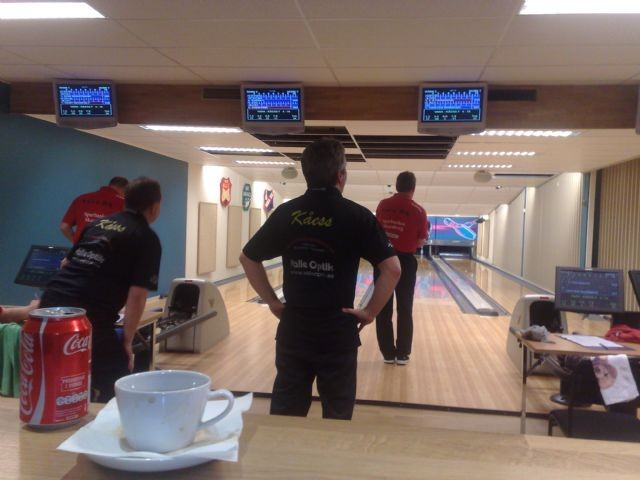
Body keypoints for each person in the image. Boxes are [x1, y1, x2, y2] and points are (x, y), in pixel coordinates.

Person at [240, 138, 401, 420]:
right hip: (338, 332)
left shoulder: (286, 213)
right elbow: (393, 269)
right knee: (337, 417)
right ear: (341, 175)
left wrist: (273, 302)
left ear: (306, 173)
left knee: (286, 417)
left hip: (294, 328)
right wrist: (369, 312)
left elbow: (248, 258)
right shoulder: (358, 216)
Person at [40, 177, 162, 402]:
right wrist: (127, 341)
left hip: (50, 302)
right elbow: (137, 295)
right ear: (154, 207)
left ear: (125, 200)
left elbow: (66, 264)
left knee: (60, 376)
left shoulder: (97, 225)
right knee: (118, 383)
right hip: (87, 315)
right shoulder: (146, 237)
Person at [375, 171, 428, 365]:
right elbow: (421, 241)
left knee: (383, 308)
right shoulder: (419, 211)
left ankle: (388, 354)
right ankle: (403, 354)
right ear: (413, 188)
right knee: (405, 308)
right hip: (405, 261)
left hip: (383, 260)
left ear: (396, 186)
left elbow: (377, 232)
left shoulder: (383, 205)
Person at [60, 176, 129, 243]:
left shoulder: (81, 199)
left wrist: (76, 243)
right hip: (106, 248)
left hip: (81, 247)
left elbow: (64, 227)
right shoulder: (124, 203)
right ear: (125, 189)